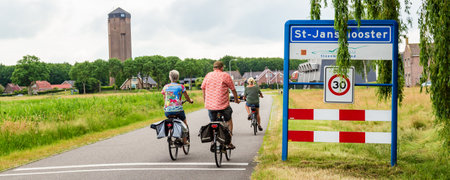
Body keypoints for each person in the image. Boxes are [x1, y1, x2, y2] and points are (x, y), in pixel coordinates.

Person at [201, 61, 240, 149]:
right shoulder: (225, 75)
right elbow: (233, 89)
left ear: (213, 68)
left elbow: (203, 88)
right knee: (228, 120)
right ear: (222, 68)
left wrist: (205, 100)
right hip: (223, 105)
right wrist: (236, 99)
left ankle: (212, 142)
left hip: (210, 105)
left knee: (213, 122)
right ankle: (229, 142)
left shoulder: (208, 75)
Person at [161, 70, 193, 144]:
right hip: (178, 110)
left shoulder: (165, 87)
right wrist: (190, 100)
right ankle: (184, 140)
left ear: (170, 78)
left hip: (167, 110)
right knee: (184, 123)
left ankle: (170, 132)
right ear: (178, 77)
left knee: (170, 120)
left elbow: (164, 97)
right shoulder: (181, 86)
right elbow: (186, 97)